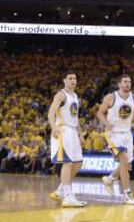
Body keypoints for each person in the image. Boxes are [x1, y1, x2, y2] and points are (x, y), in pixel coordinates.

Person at [97, 74, 134, 204]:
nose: (128, 84)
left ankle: (110, 178)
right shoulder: (110, 97)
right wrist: (107, 124)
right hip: (113, 134)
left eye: (129, 82)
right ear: (119, 84)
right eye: (125, 82)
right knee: (124, 162)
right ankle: (127, 193)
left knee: (127, 164)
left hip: (127, 133)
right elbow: (99, 113)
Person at [48, 72, 87, 207]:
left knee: (78, 162)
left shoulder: (75, 96)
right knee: (68, 162)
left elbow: (75, 119)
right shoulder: (61, 94)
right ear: (64, 80)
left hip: (72, 131)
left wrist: (81, 135)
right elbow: (51, 112)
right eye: (70, 78)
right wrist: (53, 127)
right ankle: (68, 195)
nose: (73, 80)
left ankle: (60, 191)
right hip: (62, 129)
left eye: (75, 78)